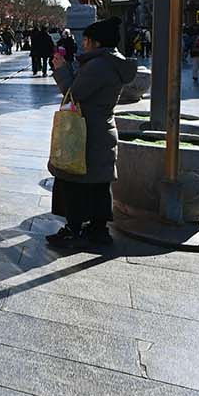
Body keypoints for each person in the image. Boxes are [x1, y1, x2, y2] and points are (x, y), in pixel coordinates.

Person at [48, 17, 136, 250]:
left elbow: (72, 94)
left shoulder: (99, 66)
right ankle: (97, 229)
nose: (84, 43)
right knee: (97, 183)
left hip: (87, 131)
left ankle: (73, 230)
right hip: (101, 129)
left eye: (86, 40)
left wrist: (61, 70)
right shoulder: (111, 63)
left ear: (97, 42)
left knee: (73, 181)